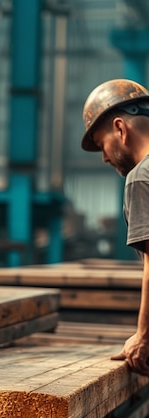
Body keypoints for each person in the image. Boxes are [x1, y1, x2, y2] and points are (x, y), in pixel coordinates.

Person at [81, 78, 149, 376]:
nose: (106, 157)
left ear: (120, 129)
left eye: (101, 145)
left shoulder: (142, 177)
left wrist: (143, 336)